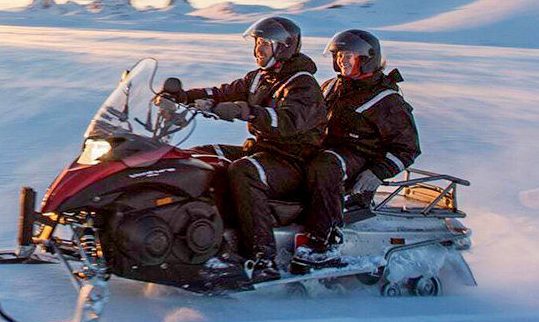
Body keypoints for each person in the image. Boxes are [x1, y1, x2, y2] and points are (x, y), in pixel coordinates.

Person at [162, 16, 327, 282]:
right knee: (201, 155)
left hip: (294, 161)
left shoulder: (302, 84)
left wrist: (245, 111)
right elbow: (222, 92)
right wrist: (183, 97)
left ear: (283, 47)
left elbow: (288, 121)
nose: (257, 50)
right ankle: (206, 234)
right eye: (257, 43)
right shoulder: (260, 78)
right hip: (262, 150)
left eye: (264, 44)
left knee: (244, 171)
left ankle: (262, 258)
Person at [293, 28, 421, 269]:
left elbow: (408, 147)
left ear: (367, 59)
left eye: (348, 55)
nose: (341, 60)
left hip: (359, 161)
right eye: (338, 55)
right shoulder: (332, 86)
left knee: (326, 164)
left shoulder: (386, 101)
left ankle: (324, 243)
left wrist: (376, 173)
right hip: (327, 152)